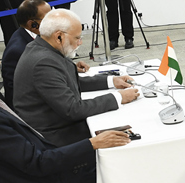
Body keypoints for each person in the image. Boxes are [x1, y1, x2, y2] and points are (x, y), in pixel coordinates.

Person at [0, 34, 131, 183]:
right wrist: (92, 144)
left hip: (37, 175)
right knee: (121, 167)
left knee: (110, 157)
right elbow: (37, 163)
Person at [13, 9, 139, 148]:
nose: (80, 43)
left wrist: (111, 81)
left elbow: (68, 81)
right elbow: (72, 109)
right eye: (77, 38)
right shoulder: (43, 62)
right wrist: (118, 98)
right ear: (59, 36)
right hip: (56, 138)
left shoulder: (43, 48)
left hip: (60, 126)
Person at [1, 0, 51, 107]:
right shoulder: (17, 51)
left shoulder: (36, 36)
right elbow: (17, 92)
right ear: (32, 24)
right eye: (48, 18)